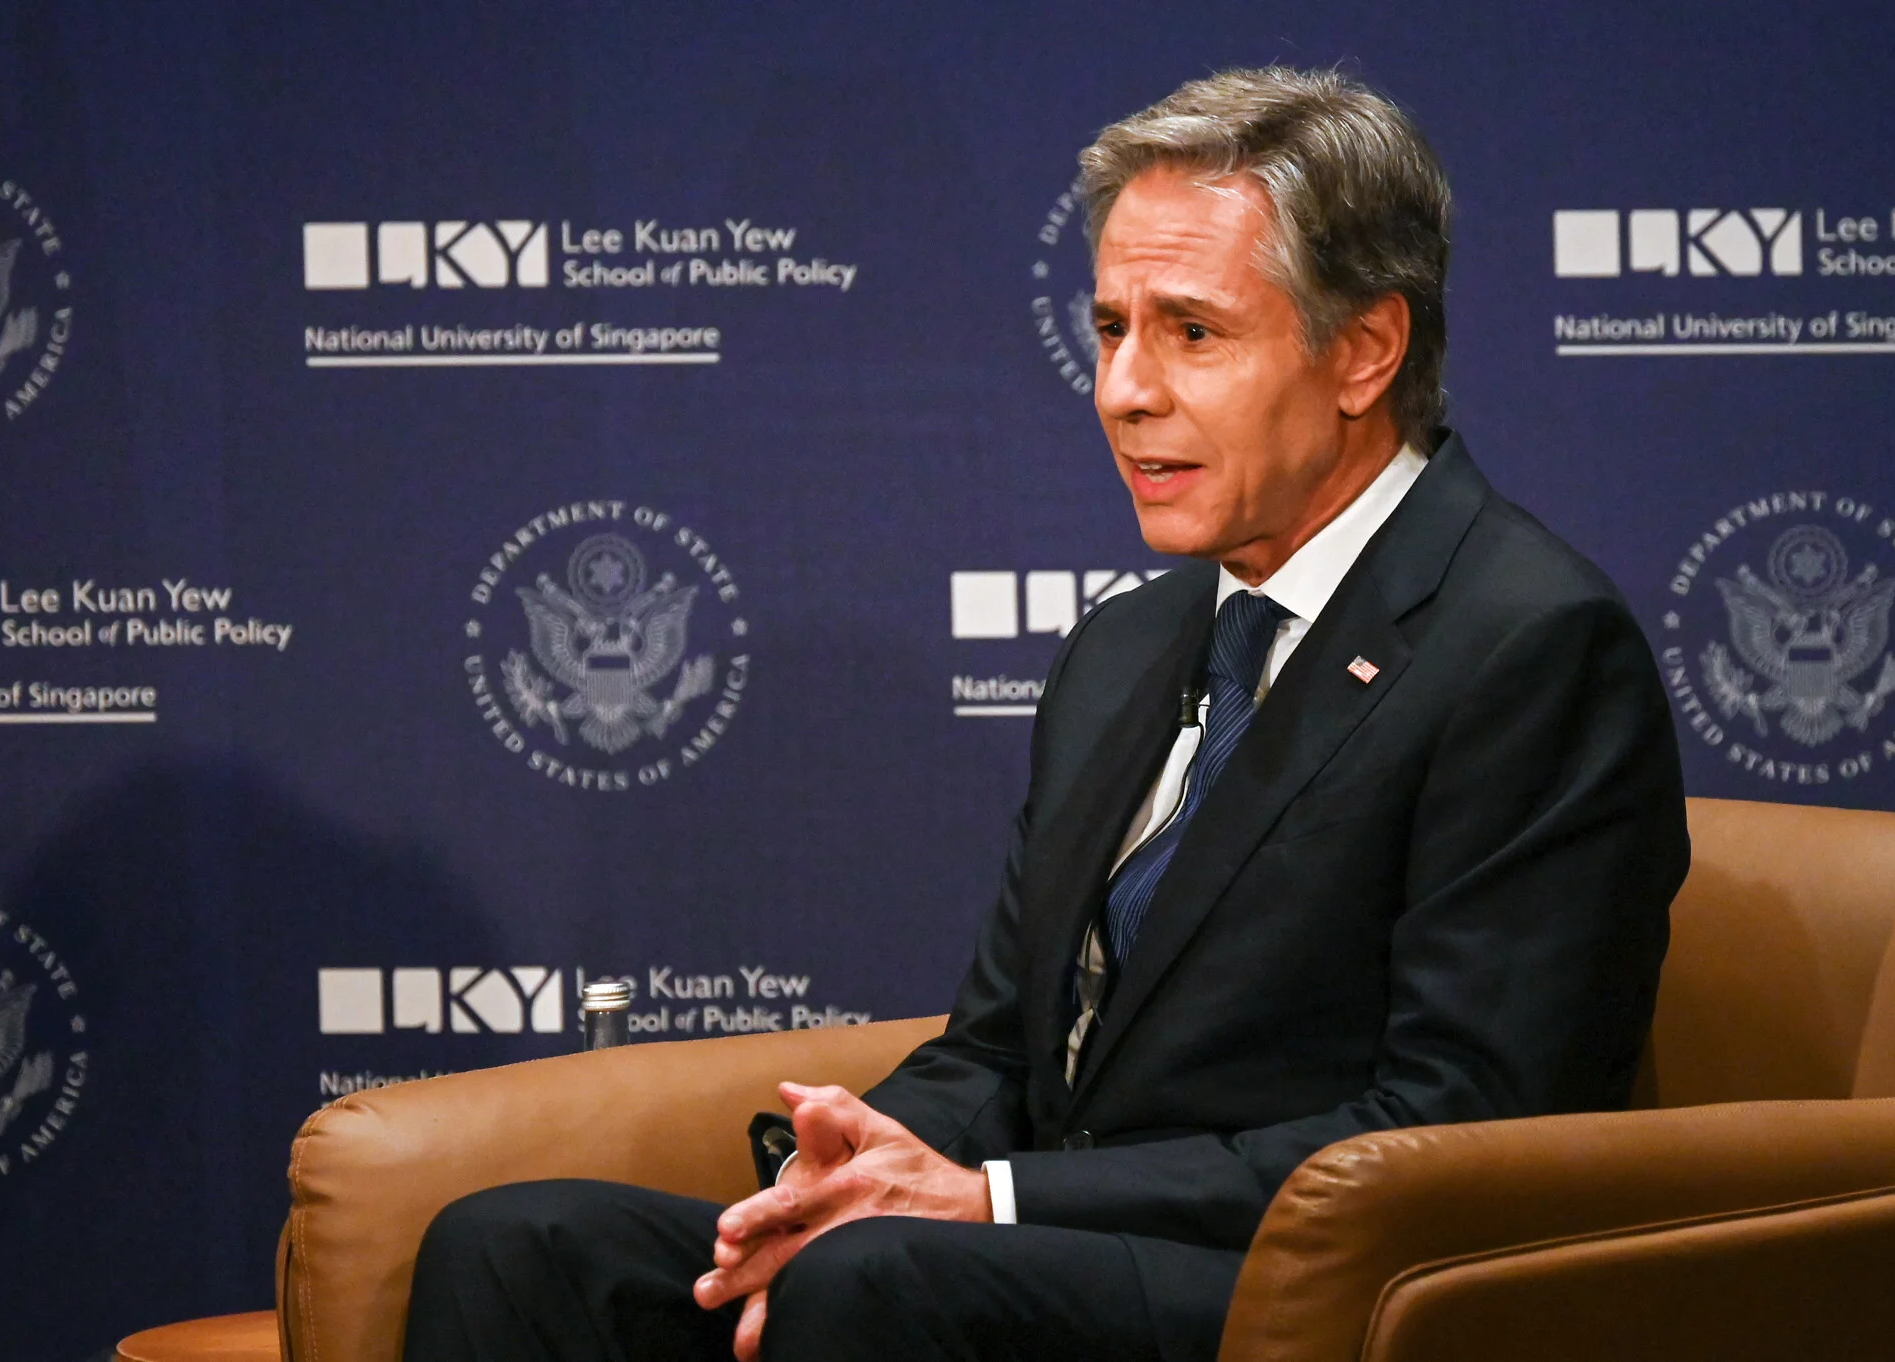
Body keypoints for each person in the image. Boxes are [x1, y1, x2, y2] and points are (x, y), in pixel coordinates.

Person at [401, 66, 1690, 1362]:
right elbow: (1001, 1046)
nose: (1123, 389)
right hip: (1021, 1251)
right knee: (519, 1247)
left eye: (1191, 332)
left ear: (1364, 350)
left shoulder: (1526, 643)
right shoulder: (1125, 649)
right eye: (1113, 326)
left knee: (882, 1282)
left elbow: (1464, 1126)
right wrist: (845, 1162)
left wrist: (993, 1200)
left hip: (1308, 1295)